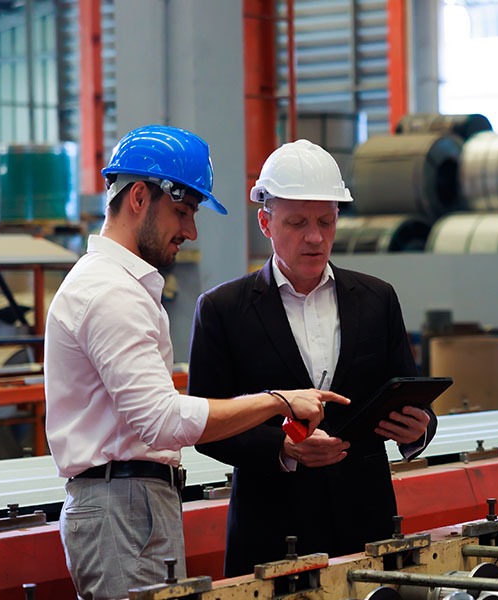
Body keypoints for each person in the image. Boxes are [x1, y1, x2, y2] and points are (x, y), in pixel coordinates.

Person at [44, 125, 342, 600]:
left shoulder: (116, 287)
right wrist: (275, 401)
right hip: (123, 505)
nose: (191, 230)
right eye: (182, 212)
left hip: (133, 502)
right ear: (139, 197)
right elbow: (162, 419)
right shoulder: (109, 294)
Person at [189, 139, 436, 576]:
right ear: (265, 223)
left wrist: (418, 430)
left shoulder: (377, 299)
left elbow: (406, 393)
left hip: (367, 529)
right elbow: (207, 427)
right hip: (271, 534)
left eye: (326, 220)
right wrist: (283, 448)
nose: (315, 236)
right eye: (297, 222)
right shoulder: (222, 311)